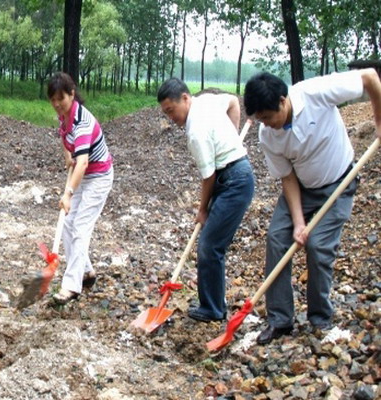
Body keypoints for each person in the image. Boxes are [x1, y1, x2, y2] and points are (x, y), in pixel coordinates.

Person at [244, 69, 381, 345]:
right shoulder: (267, 134)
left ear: (283, 101)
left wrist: (379, 118)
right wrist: (298, 222)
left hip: (339, 182)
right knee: (277, 238)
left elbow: (369, 77)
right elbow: (287, 177)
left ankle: (320, 319)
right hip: (302, 187)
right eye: (260, 119)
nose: (265, 124)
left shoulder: (316, 93)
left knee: (318, 245)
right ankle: (280, 319)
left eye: (267, 117)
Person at [157, 78, 255, 322]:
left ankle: (213, 309)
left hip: (233, 182)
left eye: (172, 110)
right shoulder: (206, 101)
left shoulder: (196, 132)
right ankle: (214, 304)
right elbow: (233, 102)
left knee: (210, 245)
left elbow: (208, 177)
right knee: (210, 244)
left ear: (185, 98)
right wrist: (232, 137)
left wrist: (202, 210)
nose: (171, 117)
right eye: (166, 113)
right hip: (232, 174)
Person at [47, 72, 114, 305]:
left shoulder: (83, 122)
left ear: (72, 94)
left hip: (99, 176)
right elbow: (64, 136)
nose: (57, 104)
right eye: (53, 100)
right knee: (67, 223)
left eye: (61, 99)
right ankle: (85, 271)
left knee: (80, 227)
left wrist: (68, 194)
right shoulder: (64, 116)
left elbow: (83, 162)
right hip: (82, 174)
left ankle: (71, 286)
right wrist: (68, 155)